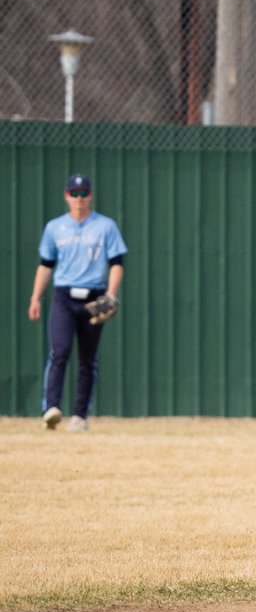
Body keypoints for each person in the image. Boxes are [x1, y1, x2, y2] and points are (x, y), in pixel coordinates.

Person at [28, 174, 128, 432]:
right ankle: (50, 409)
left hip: (94, 295)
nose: (79, 198)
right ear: (66, 196)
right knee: (59, 352)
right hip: (64, 296)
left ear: (90, 196)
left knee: (87, 359)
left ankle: (80, 417)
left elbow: (116, 263)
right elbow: (46, 264)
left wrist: (111, 294)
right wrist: (35, 297)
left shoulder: (105, 226)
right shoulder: (55, 228)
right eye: (75, 193)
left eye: (84, 193)